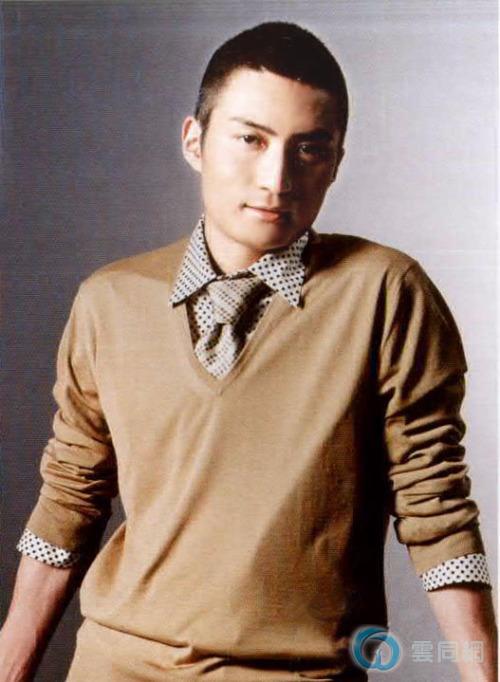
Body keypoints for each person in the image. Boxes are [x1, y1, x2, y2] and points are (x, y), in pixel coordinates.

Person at [0, 21, 496, 682]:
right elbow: (69, 499)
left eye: (309, 148)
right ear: (195, 141)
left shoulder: (383, 292)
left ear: (336, 161)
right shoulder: (110, 300)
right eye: (250, 139)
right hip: (115, 664)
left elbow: (435, 505)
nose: (277, 177)